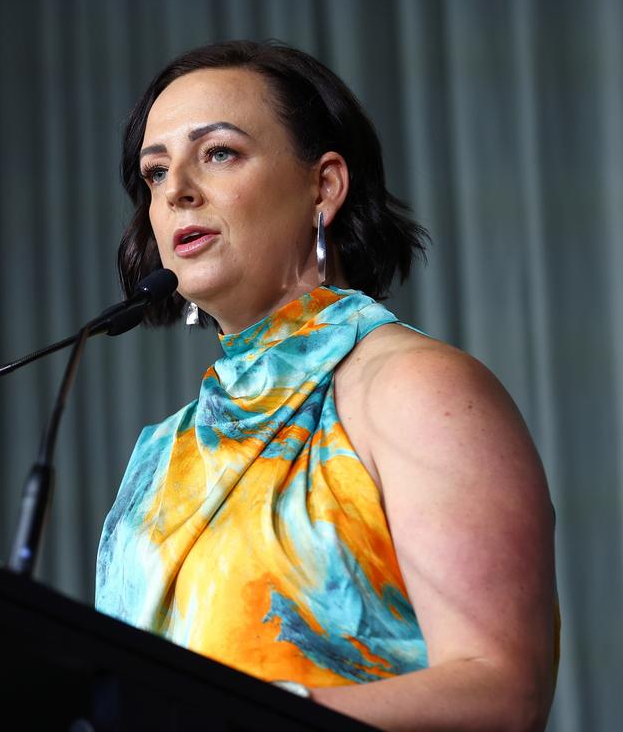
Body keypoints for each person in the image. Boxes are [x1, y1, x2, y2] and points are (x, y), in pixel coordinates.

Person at [95, 40, 557, 732]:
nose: (177, 192)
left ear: (325, 186)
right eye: (154, 174)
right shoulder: (160, 456)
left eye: (217, 153)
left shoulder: (414, 389)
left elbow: (500, 695)